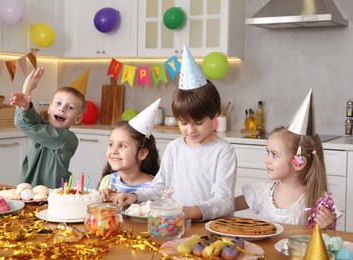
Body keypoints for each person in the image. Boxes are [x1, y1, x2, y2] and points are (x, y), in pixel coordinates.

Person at [110, 44, 237, 221]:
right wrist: (136, 197)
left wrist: (190, 212)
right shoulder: (174, 147)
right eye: (183, 123)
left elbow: (224, 201)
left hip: (211, 228)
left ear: (215, 115)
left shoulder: (223, 151)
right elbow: (158, 189)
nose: (190, 130)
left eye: (198, 123)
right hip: (176, 225)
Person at [235, 90, 341, 230]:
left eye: (274, 154)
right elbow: (225, 205)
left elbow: (328, 243)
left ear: (299, 163)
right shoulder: (262, 192)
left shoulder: (318, 201)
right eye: (268, 153)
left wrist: (325, 227)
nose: (267, 160)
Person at [10, 67, 87, 188]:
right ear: (49, 108)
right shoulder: (44, 127)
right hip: (30, 191)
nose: (62, 109)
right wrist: (25, 106)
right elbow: (29, 120)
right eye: (58, 103)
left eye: (70, 107)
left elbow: (23, 123)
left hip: (52, 195)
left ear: (78, 119)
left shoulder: (67, 139)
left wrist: (27, 91)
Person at [98, 120, 160, 195]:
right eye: (111, 144)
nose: (114, 151)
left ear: (141, 154)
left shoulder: (154, 187)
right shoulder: (107, 181)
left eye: (122, 146)